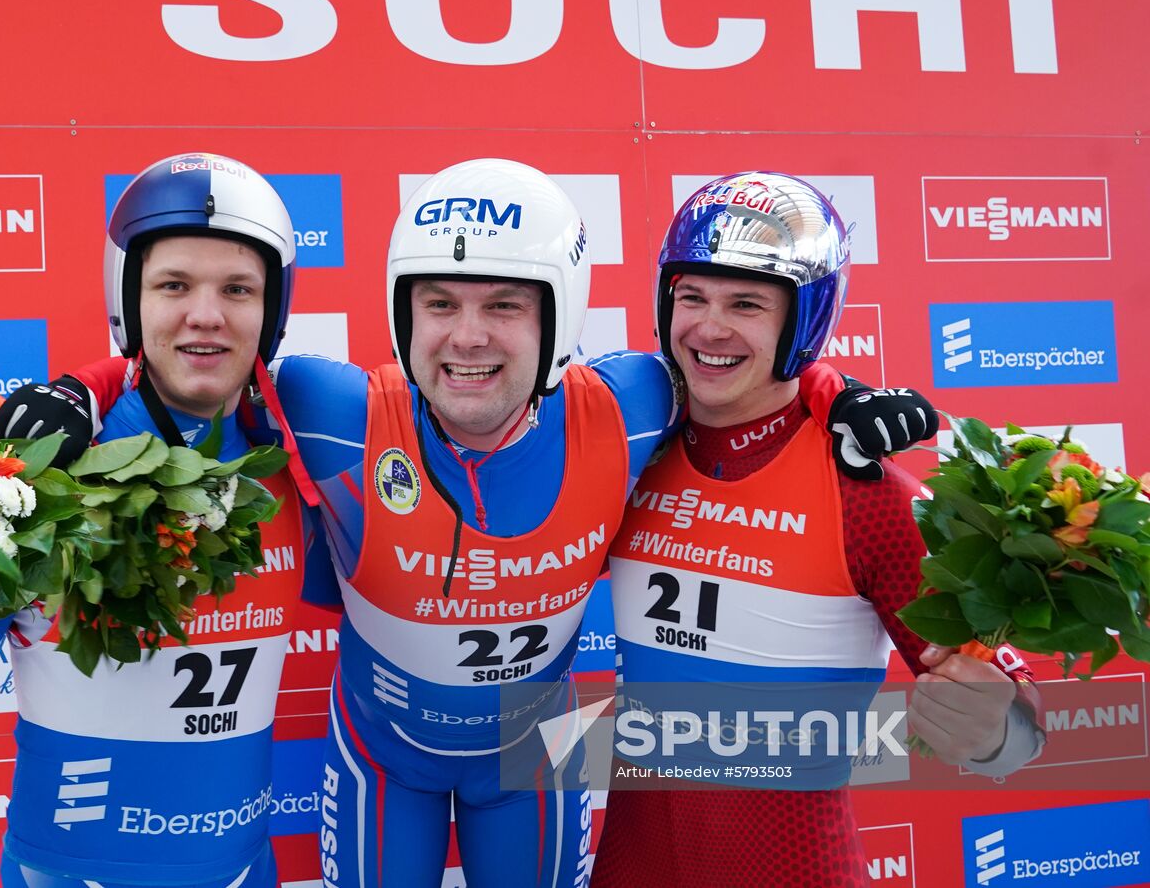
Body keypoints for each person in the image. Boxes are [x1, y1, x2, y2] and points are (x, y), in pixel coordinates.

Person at [49, 159, 940, 887]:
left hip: (534, 759)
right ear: (404, 312)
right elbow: (191, 366)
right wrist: (78, 389)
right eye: (439, 303)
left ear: (557, 316)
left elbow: (744, 382)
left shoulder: (635, 402)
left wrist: (837, 392)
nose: (466, 337)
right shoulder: (329, 406)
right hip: (381, 756)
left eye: (504, 305)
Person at [0, 153, 325, 888]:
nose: (207, 314)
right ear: (130, 299)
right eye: (174, 285)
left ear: (271, 310)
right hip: (63, 871)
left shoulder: (299, 449)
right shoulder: (43, 464)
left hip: (245, 869)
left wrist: (543, 737)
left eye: (238, 288)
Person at [591, 171, 1045, 888]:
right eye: (692, 297)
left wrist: (992, 734)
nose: (709, 328)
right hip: (629, 863)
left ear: (804, 320)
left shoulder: (865, 486)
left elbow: (1015, 723)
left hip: (795, 867)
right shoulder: (629, 447)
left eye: (745, 304)